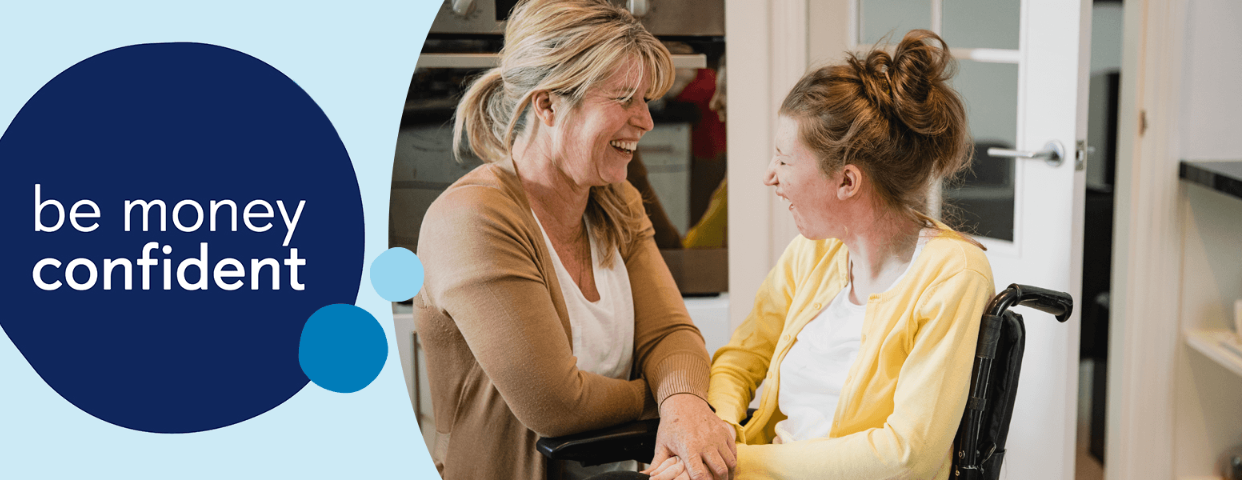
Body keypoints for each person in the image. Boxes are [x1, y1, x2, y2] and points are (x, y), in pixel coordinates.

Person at [649, 30, 995, 480]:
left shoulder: (951, 276)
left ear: (847, 182)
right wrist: (715, 436)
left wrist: (735, 463)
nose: (769, 176)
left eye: (784, 159)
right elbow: (740, 359)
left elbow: (907, 455)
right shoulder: (812, 255)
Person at [412, 1, 734, 479]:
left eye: (646, 100)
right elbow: (557, 404)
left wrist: (682, 399)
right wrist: (672, 398)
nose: (645, 120)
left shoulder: (613, 199)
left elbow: (671, 334)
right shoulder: (473, 220)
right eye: (625, 98)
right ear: (547, 105)